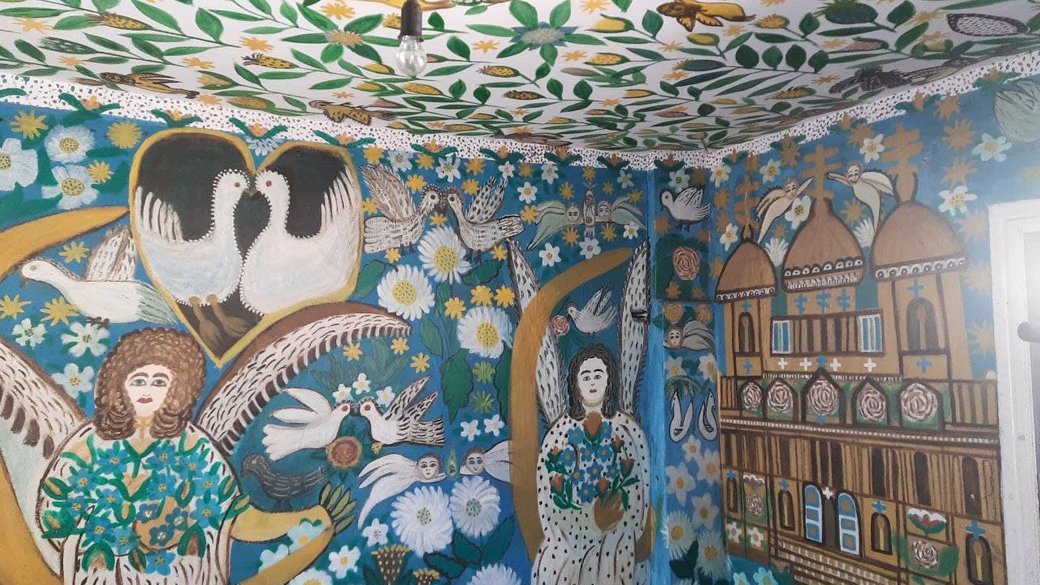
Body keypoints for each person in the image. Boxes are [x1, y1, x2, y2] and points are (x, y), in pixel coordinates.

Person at [37, 328, 237, 584]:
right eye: (139, 380)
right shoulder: (92, 440)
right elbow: (54, 502)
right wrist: (101, 526)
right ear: (120, 384)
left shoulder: (192, 443)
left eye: (159, 382)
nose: (147, 390)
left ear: (177, 388)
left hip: (170, 568)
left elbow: (222, 501)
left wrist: (175, 522)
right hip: (104, 569)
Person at [532, 344, 650, 585]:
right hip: (569, 548)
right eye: (586, 376)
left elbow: (640, 491)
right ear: (575, 384)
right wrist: (588, 520)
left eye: (598, 375)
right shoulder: (559, 434)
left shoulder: (628, 431)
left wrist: (613, 522)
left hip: (615, 546)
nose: (593, 382)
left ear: (610, 380)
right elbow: (547, 499)